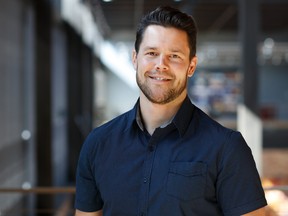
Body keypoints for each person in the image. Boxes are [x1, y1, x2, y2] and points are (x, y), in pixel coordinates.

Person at [74, 6, 267, 216]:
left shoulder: (227, 148)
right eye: (152, 53)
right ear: (135, 58)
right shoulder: (98, 143)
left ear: (191, 66)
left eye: (174, 56)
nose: (161, 65)